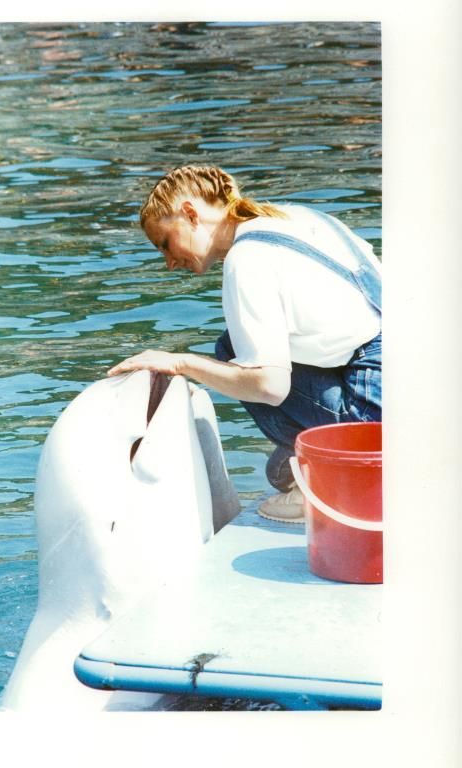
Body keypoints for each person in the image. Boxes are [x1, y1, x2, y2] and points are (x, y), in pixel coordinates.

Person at [107, 164, 381, 523]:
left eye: (165, 244)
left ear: (190, 214)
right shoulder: (296, 217)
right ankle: (310, 470)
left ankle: (324, 484)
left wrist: (181, 363)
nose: (170, 262)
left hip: (374, 416)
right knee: (277, 465)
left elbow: (270, 386)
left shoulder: (247, 258)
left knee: (231, 354)